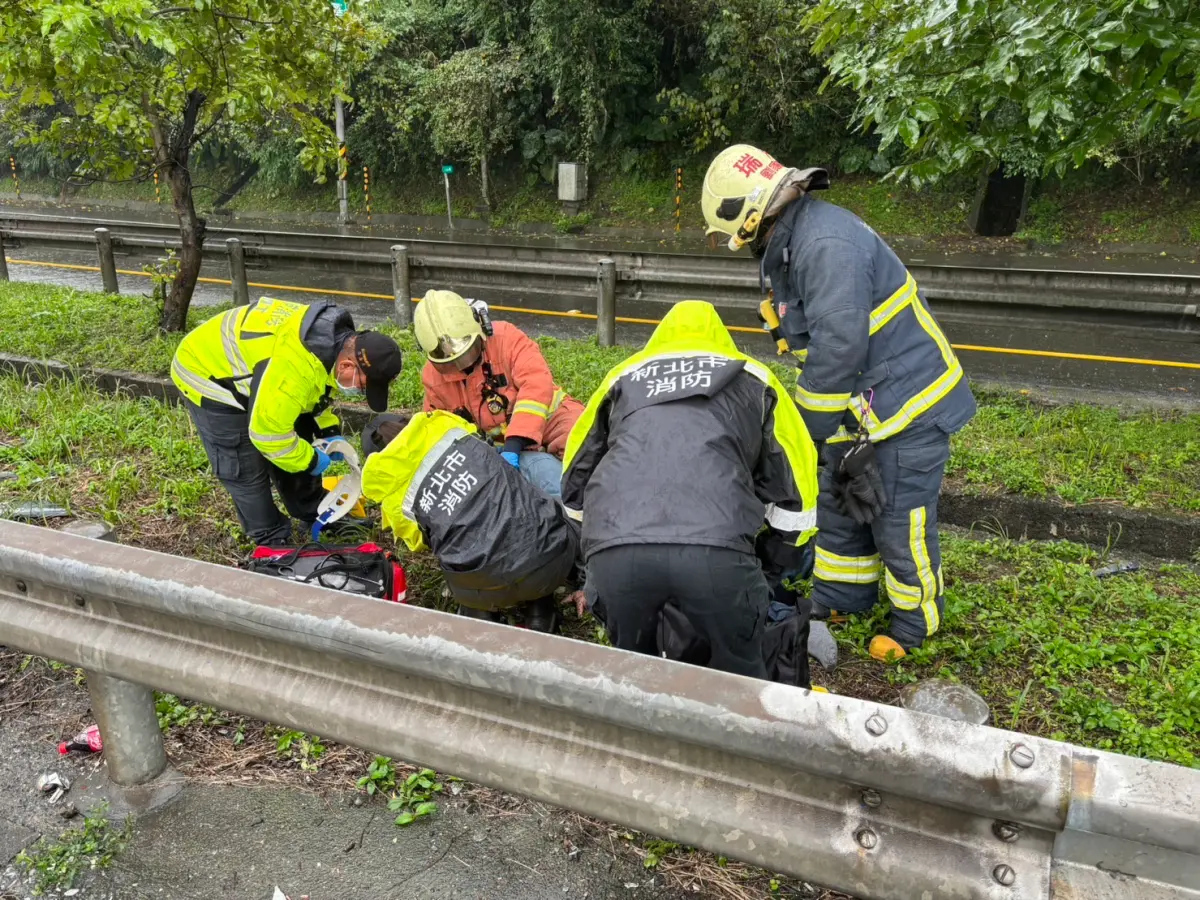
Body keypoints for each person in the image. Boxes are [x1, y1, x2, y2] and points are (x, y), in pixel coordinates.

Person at [701, 143, 977, 662]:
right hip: (865, 411)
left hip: (908, 408)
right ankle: (843, 597)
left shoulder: (824, 244)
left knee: (898, 518)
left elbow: (838, 346)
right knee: (842, 505)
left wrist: (804, 433)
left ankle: (914, 626)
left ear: (752, 214)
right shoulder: (793, 242)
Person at [561, 300, 818, 678]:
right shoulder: (756, 379)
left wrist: (591, 564)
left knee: (635, 677)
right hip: (718, 557)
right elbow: (798, 489)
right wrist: (770, 570)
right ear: (721, 338)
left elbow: (575, 480)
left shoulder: (623, 376)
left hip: (617, 556)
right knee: (737, 679)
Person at [171, 296, 403, 545]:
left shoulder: (333, 344)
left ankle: (312, 510)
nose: (360, 392)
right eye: (363, 386)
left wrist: (327, 431)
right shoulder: (294, 370)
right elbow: (268, 436)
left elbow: (317, 393)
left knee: (298, 432)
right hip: (208, 373)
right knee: (244, 464)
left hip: (265, 370)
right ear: (347, 366)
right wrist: (311, 459)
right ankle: (270, 536)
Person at [359, 411, 581, 632]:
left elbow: (418, 543)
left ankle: (482, 620)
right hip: (551, 559)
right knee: (532, 517)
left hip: (481, 588)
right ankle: (541, 614)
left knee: (459, 555)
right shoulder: (450, 430)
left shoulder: (394, 495)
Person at [414, 290, 584, 499]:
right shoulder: (433, 378)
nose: (462, 365)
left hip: (551, 421)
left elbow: (536, 385)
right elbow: (435, 432)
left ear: (481, 327)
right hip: (495, 449)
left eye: (468, 353)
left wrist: (514, 444)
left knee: (584, 449)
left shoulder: (506, 339)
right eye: (451, 363)